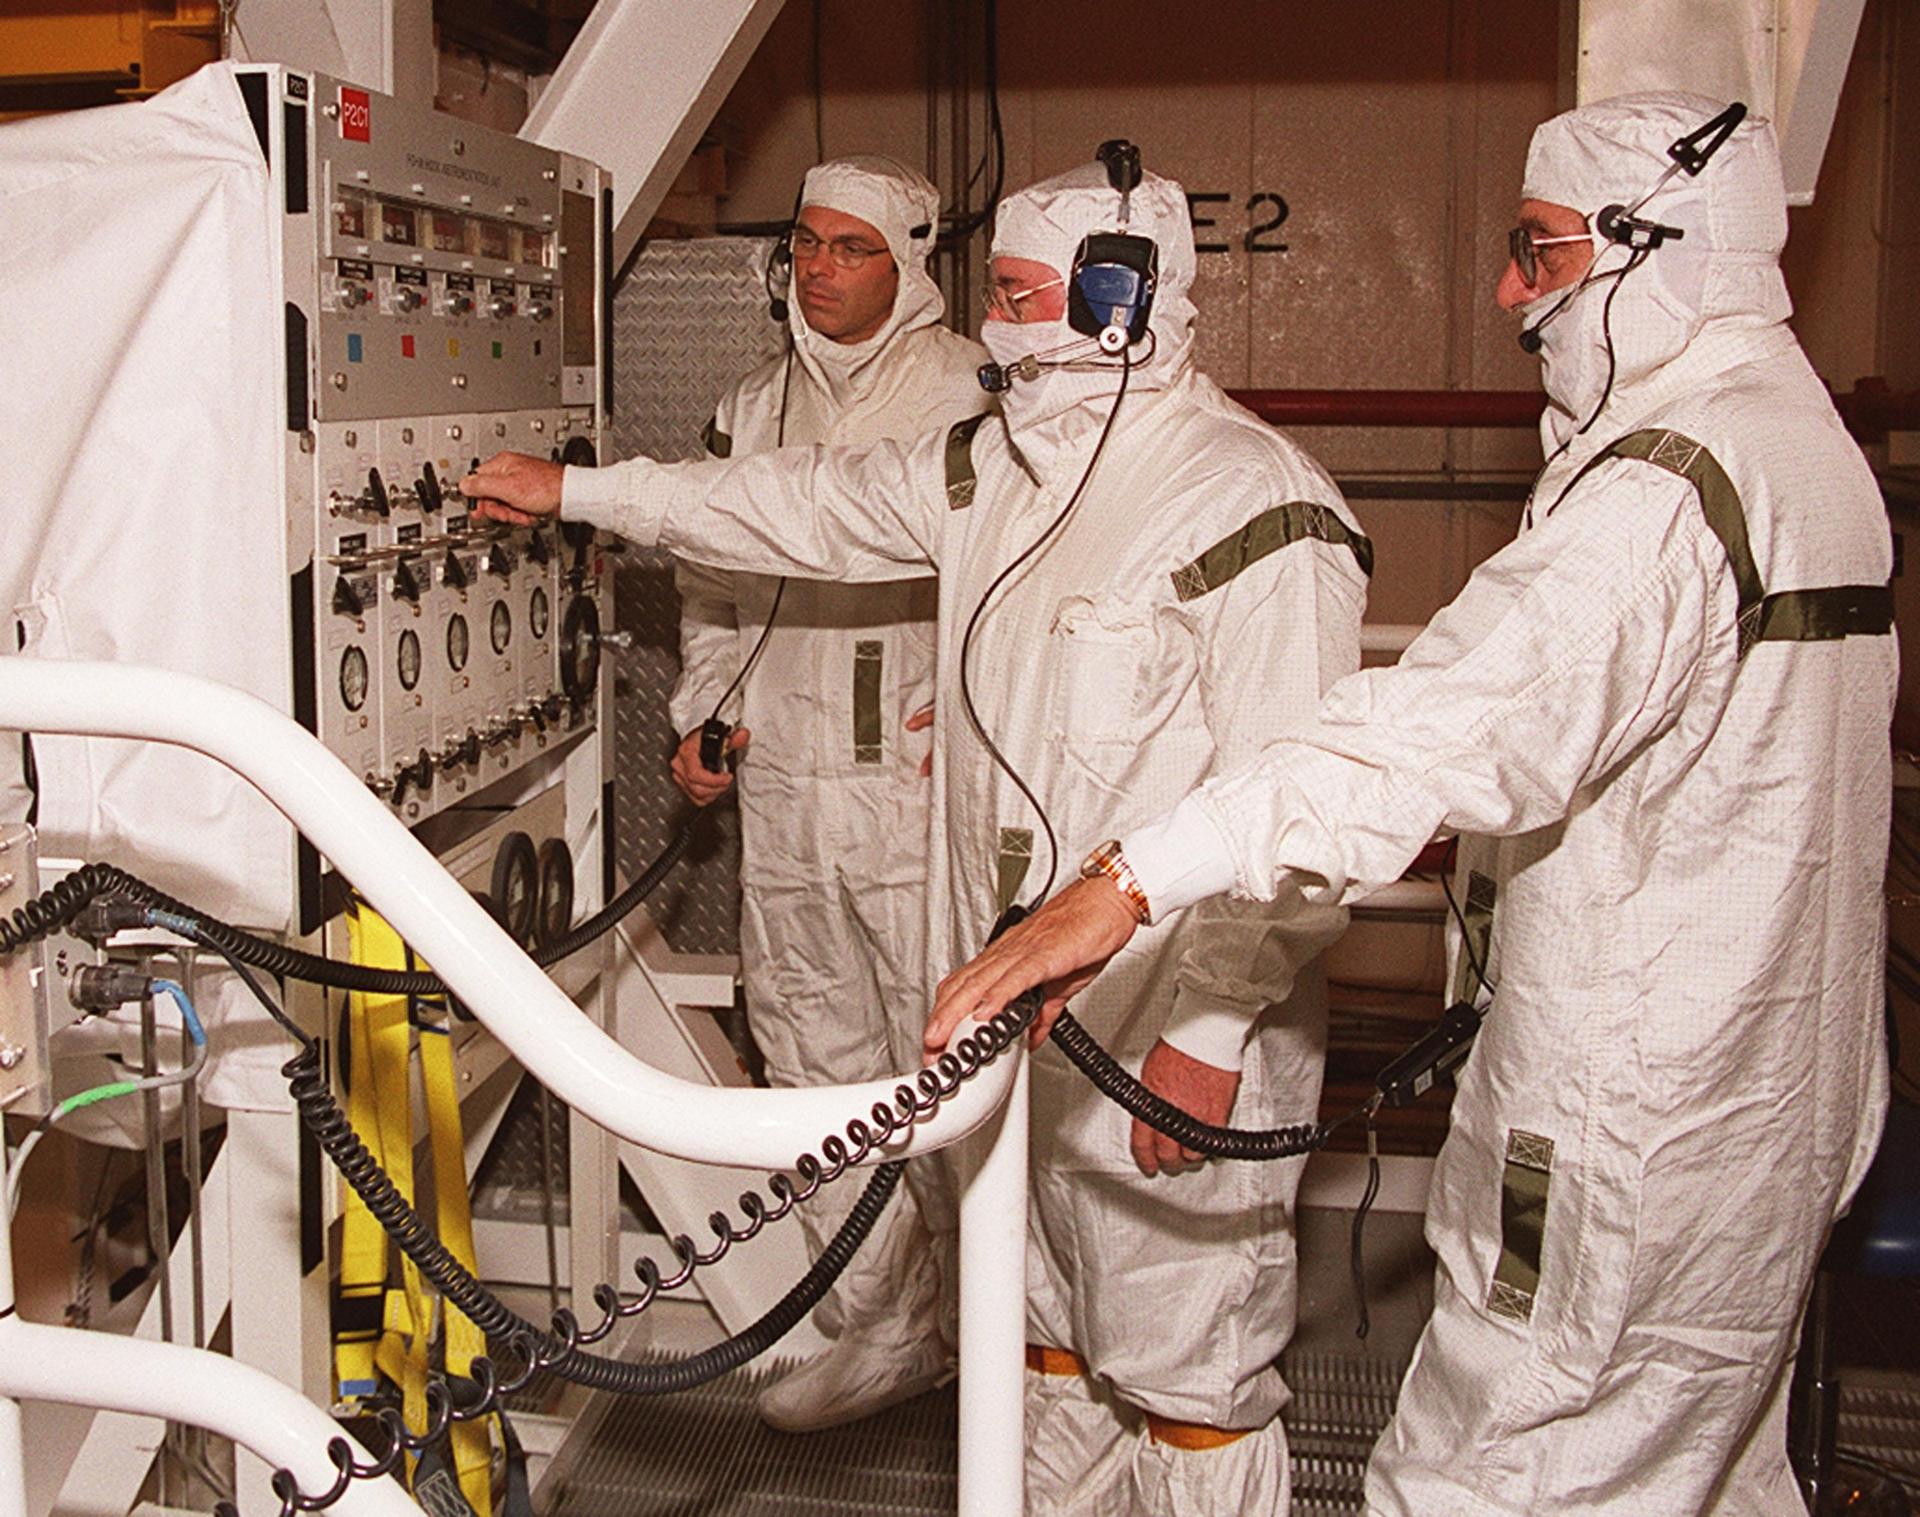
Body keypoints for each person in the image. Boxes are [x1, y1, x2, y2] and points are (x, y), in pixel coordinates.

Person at [927, 95, 1895, 1517]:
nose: (1507, 291)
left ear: (1657, 244)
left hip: (1628, 1131)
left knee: (1486, 1481)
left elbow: (1431, 728)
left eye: (1539, 251)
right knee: (1710, 1475)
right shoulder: (1799, 444)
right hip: (1759, 1107)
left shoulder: (1670, 490)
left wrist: (1124, 885)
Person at [461, 154, 1371, 1515]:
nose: (993, 322)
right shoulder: (991, 471)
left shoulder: (1253, 505)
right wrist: (581, 495)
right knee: (1041, 1338)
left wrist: (1215, 1031)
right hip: (1021, 1012)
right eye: (994, 290)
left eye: (1019, 295)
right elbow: (788, 507)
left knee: (1183, 1369)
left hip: (1163, 1023)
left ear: (1116, 302)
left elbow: (1300, 807)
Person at [664, 155, 989, 1432]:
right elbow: (709, 578)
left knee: (947, 1062)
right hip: (788, 789)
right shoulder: (752, 409)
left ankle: (997, 1330)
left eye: (852, 248)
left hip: (918, 787)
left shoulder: (977, 392)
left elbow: (1017, 579)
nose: (819, 268)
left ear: (909, 264)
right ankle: (885, 1325)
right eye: (804, 242)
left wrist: (973, 715)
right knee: (809, 1060)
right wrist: (704, 710)